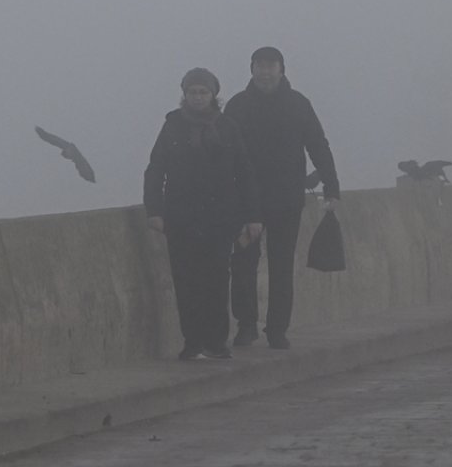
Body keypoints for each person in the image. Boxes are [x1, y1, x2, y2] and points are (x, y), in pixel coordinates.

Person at [225, 47, 340, 350]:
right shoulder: (237, 106)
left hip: (287, 200)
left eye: (270, 66)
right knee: (242, 266)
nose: (265, 72)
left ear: (281, 69)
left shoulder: (298, 104)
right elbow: (224, 155)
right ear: (251, 69)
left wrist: (332, 186)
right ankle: (246, 325)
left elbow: (318, 145)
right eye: (259, 66)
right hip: (246, 202)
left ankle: (277, 329)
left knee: (281, 266)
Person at [145, 68, 264, 361]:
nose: (197, 98)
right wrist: (154, 210)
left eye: (203, 92)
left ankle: (216, 341)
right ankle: (192, 342)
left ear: (213, 95)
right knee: (186, 281)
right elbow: (155, 169)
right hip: (181, 216)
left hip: (219, 216)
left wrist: (253, 216)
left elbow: (244, 172)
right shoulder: (172, 125)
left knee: (216, 280)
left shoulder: (227, 127)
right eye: (192, 92)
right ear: (184, 94)